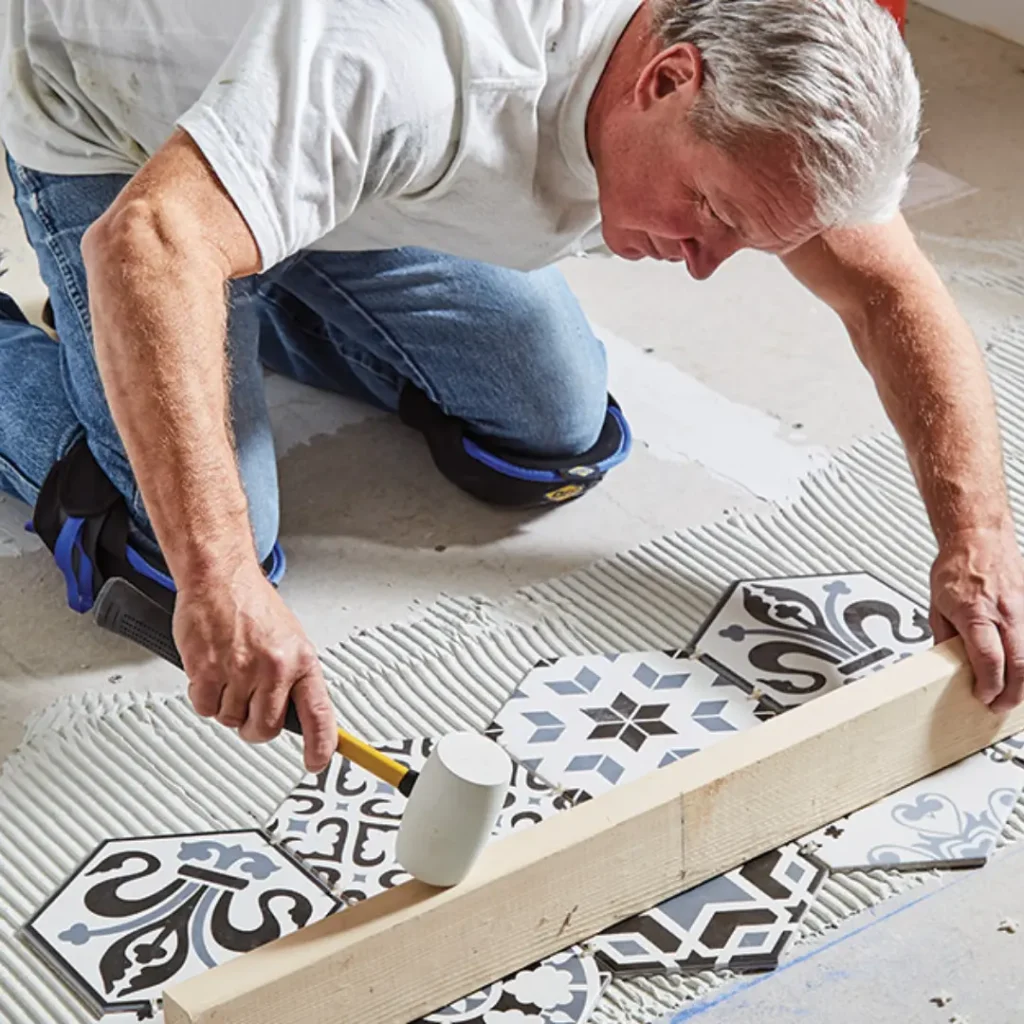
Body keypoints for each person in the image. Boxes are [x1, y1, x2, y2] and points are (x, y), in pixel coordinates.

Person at [0, 0, 1020, 776]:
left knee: (551, 434)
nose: (706, 263)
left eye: (748, 238)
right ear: (667, 79)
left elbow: (888, 293)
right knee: (181, 561)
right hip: (118, 128)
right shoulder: (421, 64)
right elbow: (152, 241)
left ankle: (245, 262)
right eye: (706, 210)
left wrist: (975, 540)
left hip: (336, 158)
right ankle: (171, 305)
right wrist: (222, 577)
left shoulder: (766, 90)